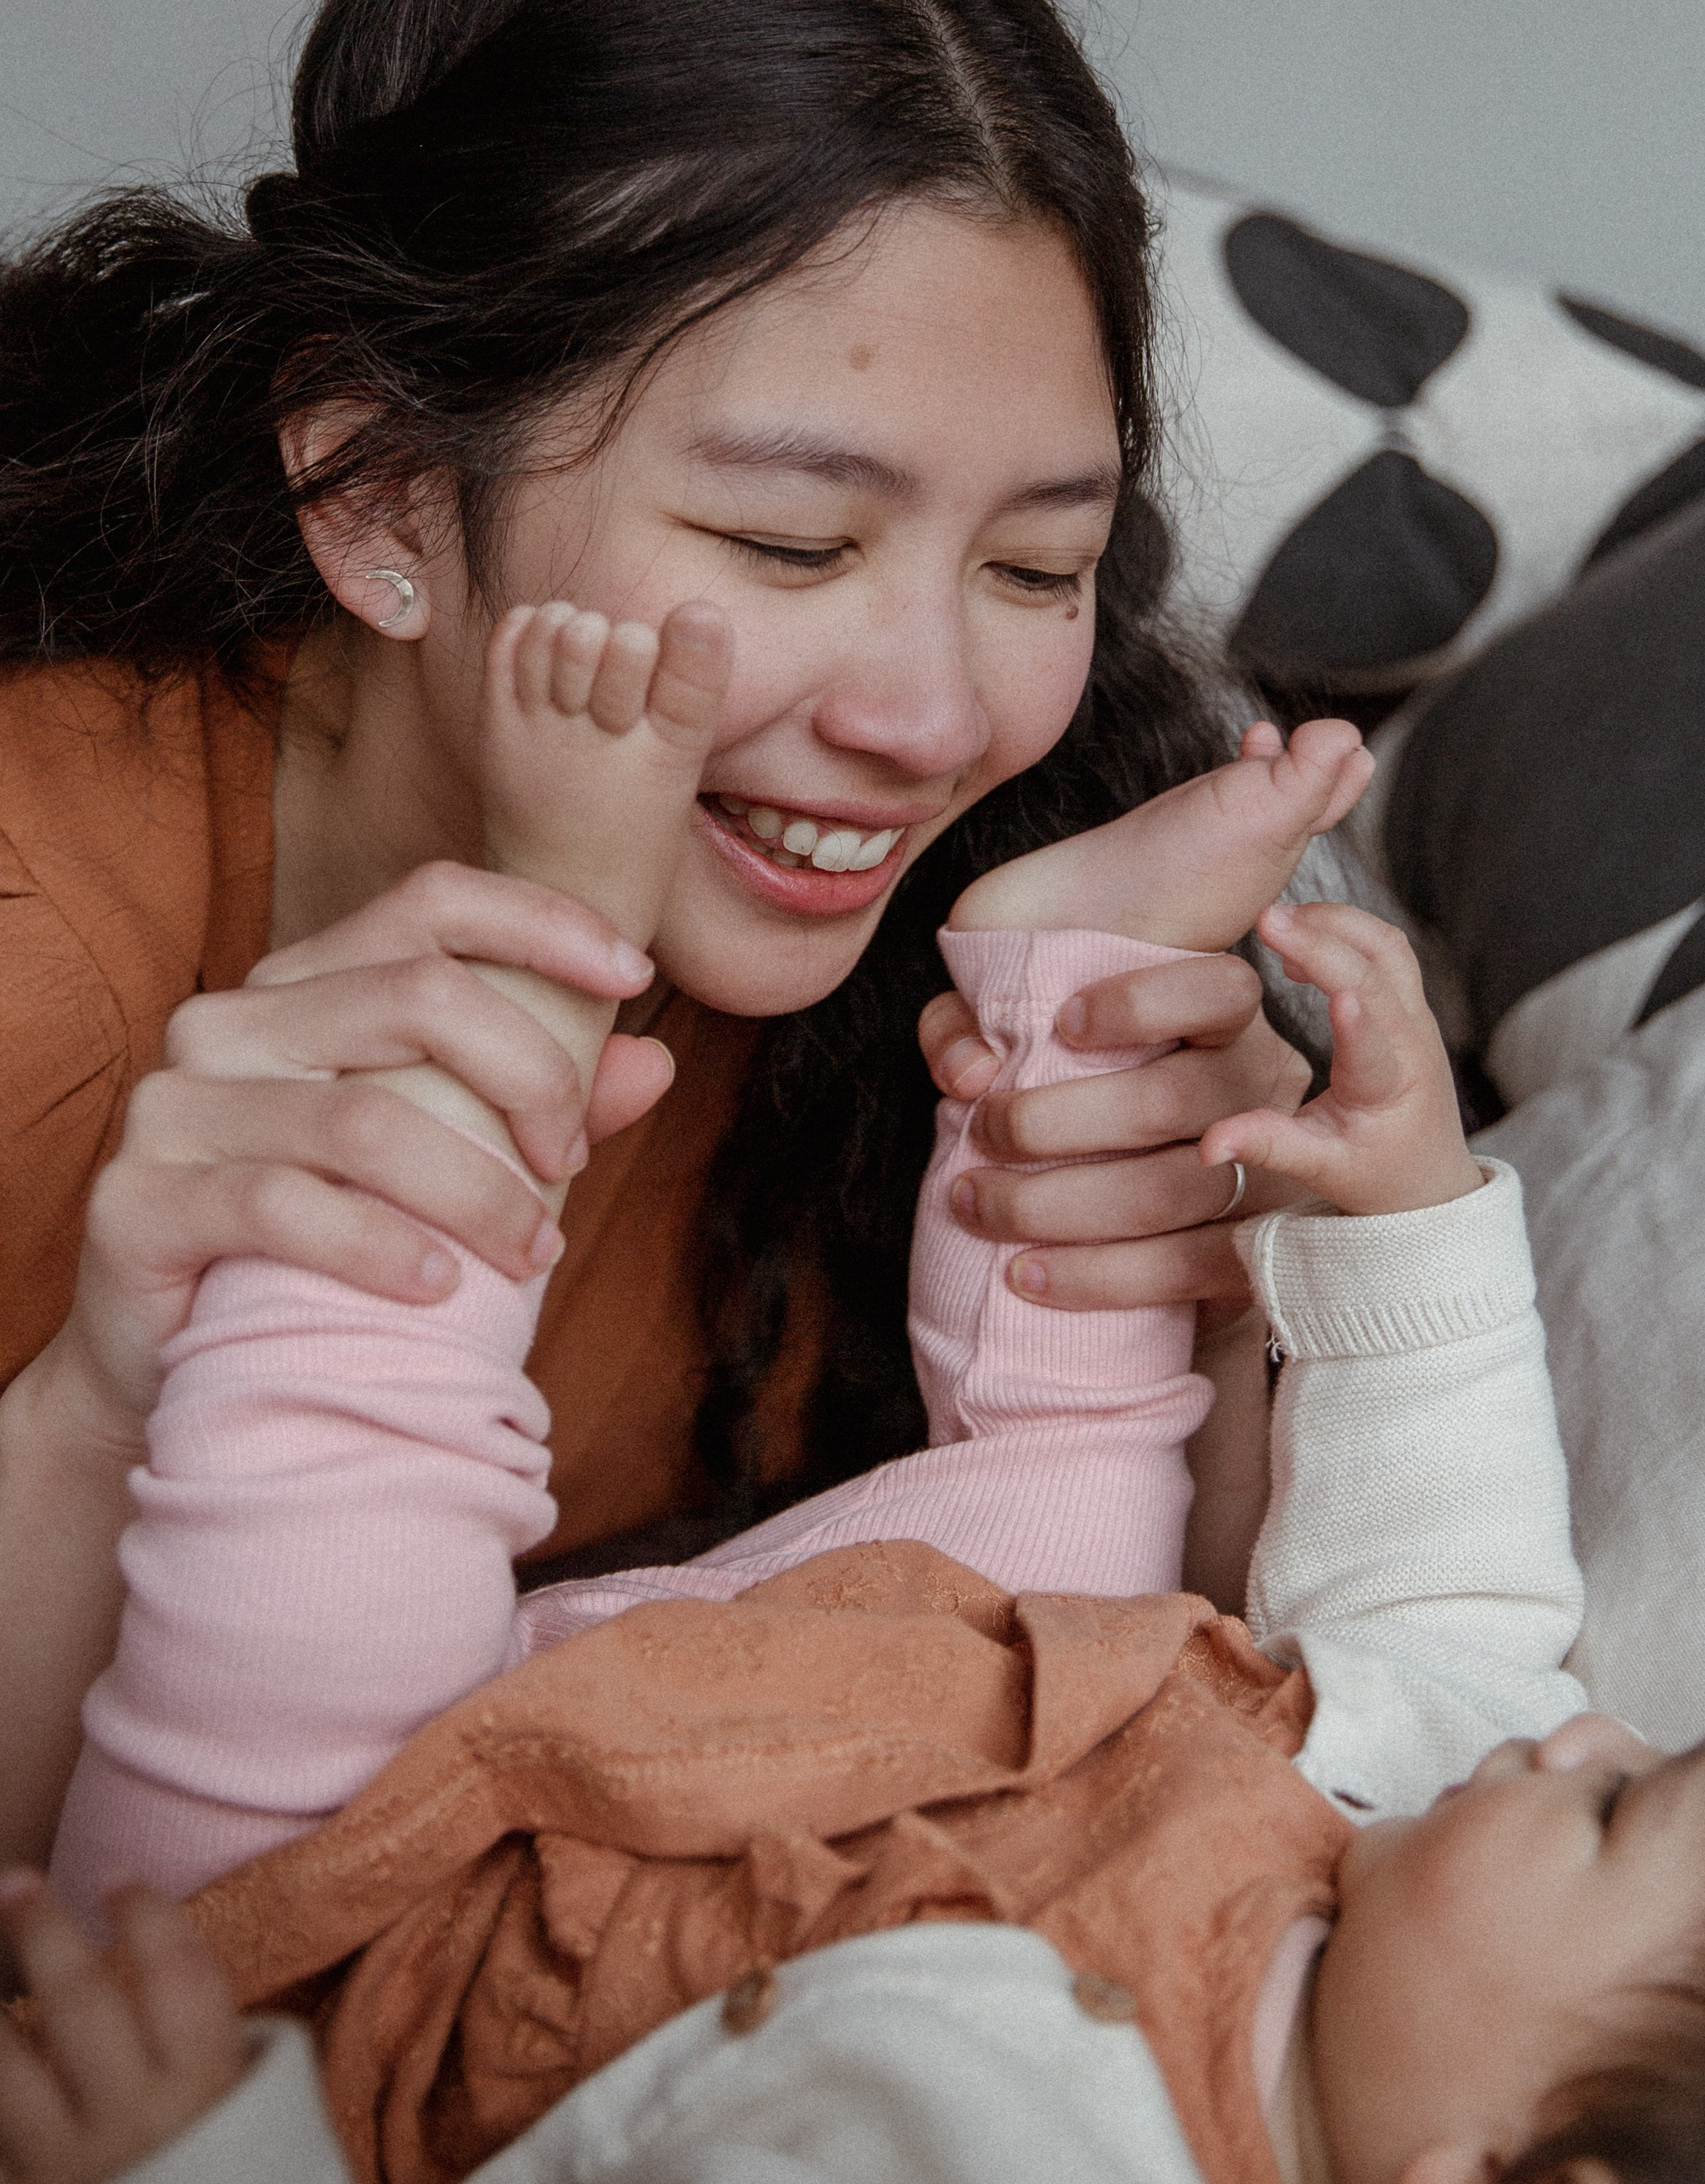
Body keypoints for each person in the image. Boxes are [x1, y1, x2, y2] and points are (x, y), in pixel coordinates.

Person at [0, 787, 1705, 2184]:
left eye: (1618, 1812)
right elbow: (1450, 1578)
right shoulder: (1427, 1808)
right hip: (763, 1695)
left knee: (336, 1479)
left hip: (334, 1963)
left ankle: (504, 1000)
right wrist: (1407, 1203)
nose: (1584, 1728)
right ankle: (1072, 991)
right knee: (1090, 1472)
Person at [0, 0, 1319, 1880]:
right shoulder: (40, 942)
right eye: (789, 544)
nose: (931, 719)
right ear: (374, 484)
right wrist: (90, 1411)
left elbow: (1183, 1707)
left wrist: (1259, 1258)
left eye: (1036, 568)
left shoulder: (926, 994)